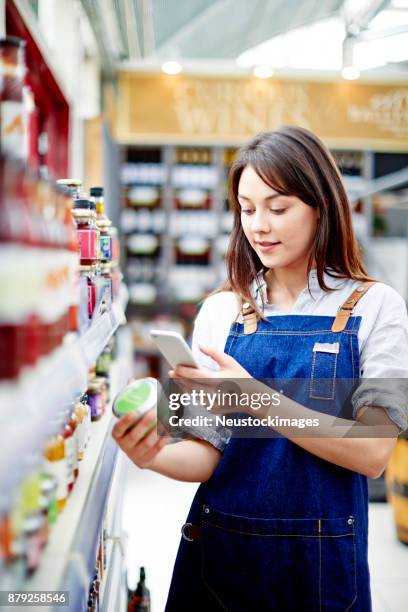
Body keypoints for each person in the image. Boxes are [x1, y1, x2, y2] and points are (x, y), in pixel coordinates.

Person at [112, 126, 408, 611]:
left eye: (278, 208)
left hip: (320, 570)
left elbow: (373, 450)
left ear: (321, 206)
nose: (259, 226)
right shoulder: (220, 311)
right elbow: (206, 455)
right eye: (247, 209)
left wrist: (253, 395)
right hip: (219, 560)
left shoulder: (376, 307)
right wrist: (148, 453)